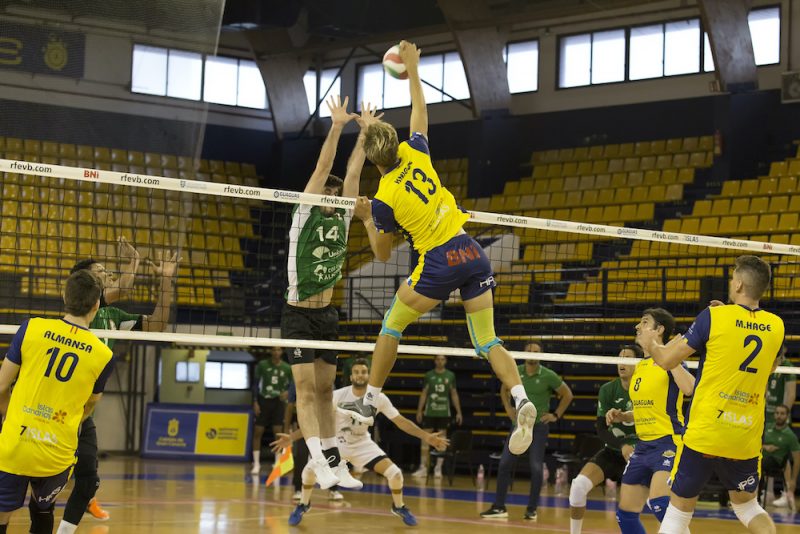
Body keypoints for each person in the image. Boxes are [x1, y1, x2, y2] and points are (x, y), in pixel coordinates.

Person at [338, 39, 536, 458]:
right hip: (471, 249)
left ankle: (370, 401)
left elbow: (383, 255)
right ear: (396, 144)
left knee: (392, 324)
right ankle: (520, 397)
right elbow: (419, 112)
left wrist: (367, 218)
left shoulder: (385, 196)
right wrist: (412, 68)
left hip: (440, 260)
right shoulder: (416, 151)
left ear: (375, 162)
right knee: (487, 341)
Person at [640, 256, 784, 534]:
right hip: (745, 436)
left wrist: (652, 343)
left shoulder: (714, 317)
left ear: (739, 283)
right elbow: (769, 366)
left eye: (733, 279)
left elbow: (668, 360)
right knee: (747, 507)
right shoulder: (777, 326)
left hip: (706, 431)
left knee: (678, 512)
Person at [281, 96, 381, 490]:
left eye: (336, 194)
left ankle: (334, 460)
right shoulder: (305, 212)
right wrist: (338, 125)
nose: (334, 197)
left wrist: (367, 132)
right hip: (298, 313)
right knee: (305, 391)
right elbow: (325, 166)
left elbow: (354, 169)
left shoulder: (342, 213)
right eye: (329, 193)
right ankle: (317, 460)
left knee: (326, 392)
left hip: (326, 315)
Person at [57, 248, 178, 531]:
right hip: (57, 409)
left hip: (84, 414)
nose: (107, 276)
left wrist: (165, 281)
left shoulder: (113, 315)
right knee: (45, 480)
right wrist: (133, 263)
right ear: (83, 283)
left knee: (88, 479)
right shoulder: (79, 312)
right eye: (100, 273)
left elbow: (158, 324)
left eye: (106, 273)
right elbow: (124, 286)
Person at [0, 270, 115, 534]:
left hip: (15, 445)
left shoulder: (32, 328)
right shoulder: (103, 355)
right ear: (96, 305)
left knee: (2, 516)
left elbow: (1, 385)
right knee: (43, 511)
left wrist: (9, 411)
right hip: (56, 453)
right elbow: (89, 406)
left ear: (64, 298)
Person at [271, 358, 449, 526]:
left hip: (362, 444)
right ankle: (304, 503)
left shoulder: (378, 398)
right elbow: (316, 421)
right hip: (337, 443)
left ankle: (399, 506)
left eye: (363, 372)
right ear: (351, 376)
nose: (360, 375)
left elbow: (400, 421)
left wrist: (427, 437)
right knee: (309, 472)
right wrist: (291, 438)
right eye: (356, 372)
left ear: (369, 376)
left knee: (395, 474)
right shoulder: (338, 395)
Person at [606, 308, 695, 534]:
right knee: (625, 515)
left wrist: (670, 359)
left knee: (659, 504)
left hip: (668, 443)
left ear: (659, 330)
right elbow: (647, 407)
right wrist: (625, 415)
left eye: (644, 323)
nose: (637, 327)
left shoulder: (672, 361)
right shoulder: (641, 367)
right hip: (643, 446)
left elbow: (689, 388)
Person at [481, 341, 574, 521]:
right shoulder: (517, 370)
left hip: (538, 426)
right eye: (529, 351)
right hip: (519, 425)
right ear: (524, 353)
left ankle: (532, 509)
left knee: (536, 467)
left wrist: (555, 415)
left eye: (536, 351)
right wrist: (508, 408)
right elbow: (504, 388)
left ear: (541, 354)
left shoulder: (548, 375)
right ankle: (499, 507)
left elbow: (567, 394)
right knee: (504, 464)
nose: (532, 353)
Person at [569, 345, 641, 534]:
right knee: (577, 487)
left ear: (638, 364)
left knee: (654, 503)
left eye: (627, 358)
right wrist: (622, 445)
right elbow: (601, 429)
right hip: (613, 452)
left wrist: (634, 446)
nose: (621, 362)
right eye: (619, 357)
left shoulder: (645, 390)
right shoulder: (608, 389)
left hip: (640, 456)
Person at [412, 354, 462, 479]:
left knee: (442, 440)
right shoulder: (429, 375)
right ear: (435, 361)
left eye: (442, 359)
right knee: (425, 439)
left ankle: (438, 469)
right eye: (438, 359)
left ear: (445, 361)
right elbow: (424, 393)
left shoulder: (450, 375)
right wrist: (419, 410)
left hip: (444, 412)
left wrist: (459, 412)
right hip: (430, 411)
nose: (440, 361)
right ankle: (423, 468)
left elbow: (454, 394)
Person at [251, 347, 292, 475]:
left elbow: (292, 385)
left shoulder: (287, 367)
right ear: (270, 351)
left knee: (278, 433)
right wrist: (255, 401)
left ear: (282, 352)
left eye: (279, 350)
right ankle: (256, 464)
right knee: (258, 431)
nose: (276, 352)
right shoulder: (262, 365)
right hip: (264, 400)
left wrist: (288, 392)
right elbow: (255, 384)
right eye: (274, 350)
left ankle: (277, 462)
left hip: (278, 402)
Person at [762, 404, 800, 509]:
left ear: (787, 416)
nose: (779, 416)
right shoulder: (767, 427)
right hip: (761, 458)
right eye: (777, 413)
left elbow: (797, 459)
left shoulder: (790, 436)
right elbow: (755, 443)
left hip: (776, 463)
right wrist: (766, 447)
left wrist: (793, 480)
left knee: (762, 463)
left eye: (782, 414)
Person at [765, 345, 795, 425]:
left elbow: (791, 394)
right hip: (766, 413)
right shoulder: (768, 363)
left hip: (779, 416)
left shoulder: (788, 367)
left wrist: (782, 415)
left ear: (785, 349)